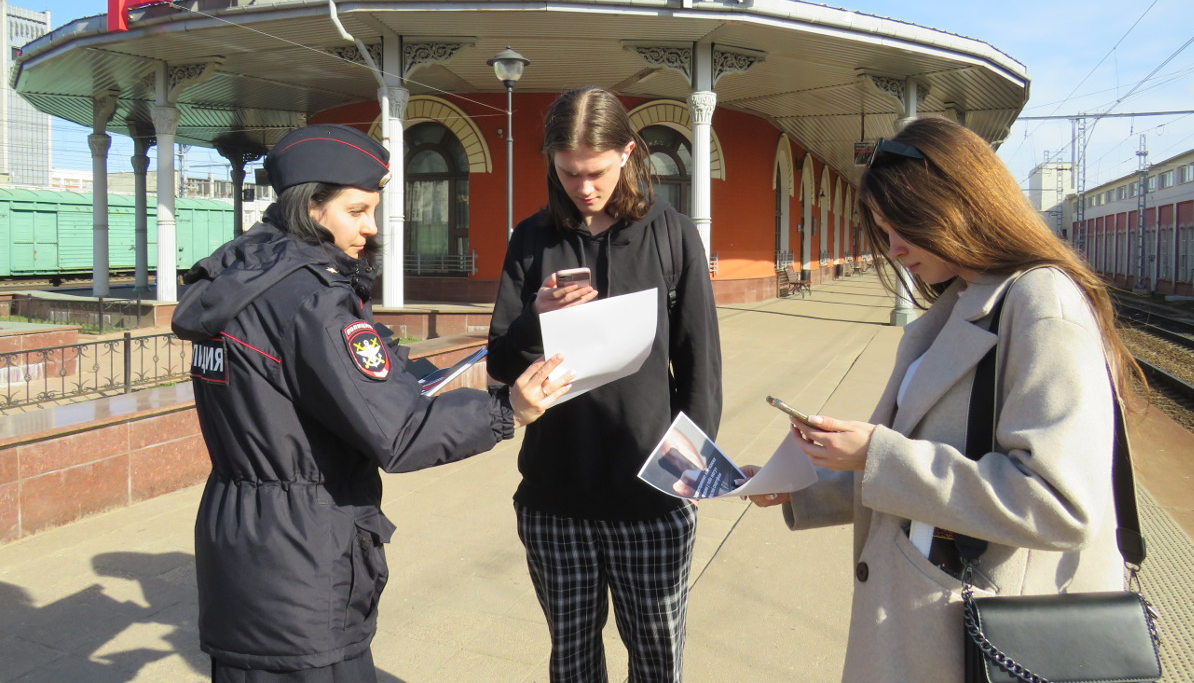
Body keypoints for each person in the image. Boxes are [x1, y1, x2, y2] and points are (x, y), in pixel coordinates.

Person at [742, 116, 1142, 682]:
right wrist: (802, 486)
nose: (895, 248)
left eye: (905, 226)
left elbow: (1059, 503)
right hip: (932, 618)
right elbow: (936, 456)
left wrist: (874, 453)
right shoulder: (964, 300)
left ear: (960, 203)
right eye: (883, 230)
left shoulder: (1041, 302)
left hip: (986, 635)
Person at [171, 123, 572, 683]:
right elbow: (401, 435)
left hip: (239, 542)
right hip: (305, 559)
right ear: (312, 208)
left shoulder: (243, 276)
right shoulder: (312, 300)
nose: (370, 228)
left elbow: (331, 385)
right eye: (357, 211)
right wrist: (510, 411)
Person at [487, 86, 722, 683]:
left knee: (657, 657)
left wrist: (690, 473)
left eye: (595, 172)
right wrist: (537, 316)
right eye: (568, 173)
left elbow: (700, 364)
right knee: (572, 659)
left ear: (628, 153)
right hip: (555, 497)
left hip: (652, 496)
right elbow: (499, 362)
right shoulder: (532, 237)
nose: (583, 187)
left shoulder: (670, 234)